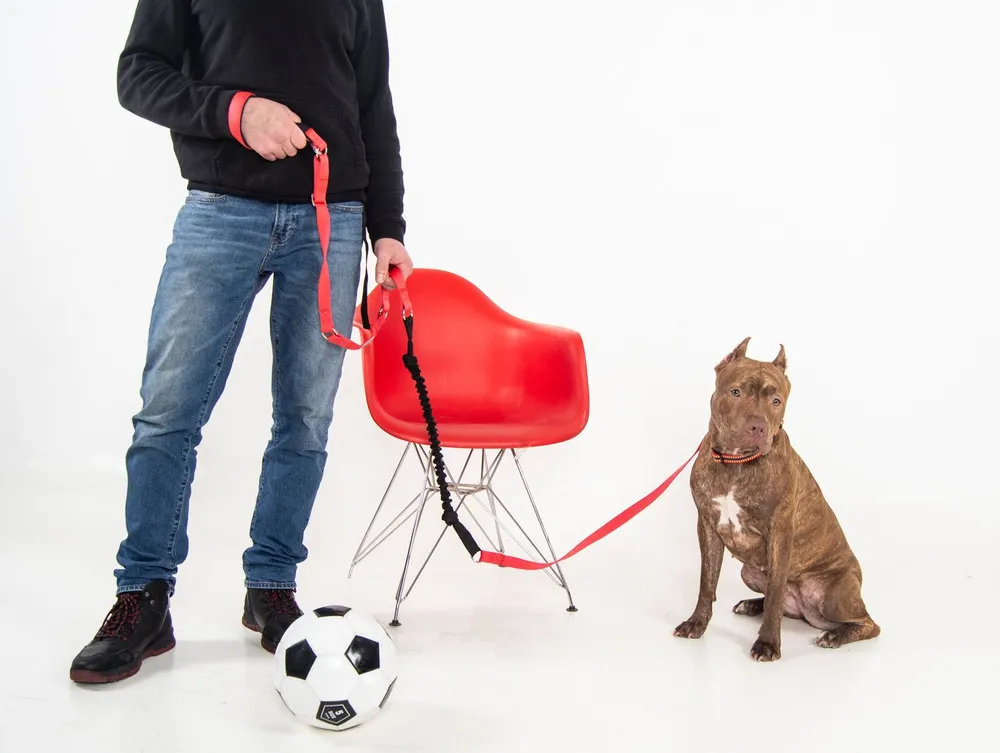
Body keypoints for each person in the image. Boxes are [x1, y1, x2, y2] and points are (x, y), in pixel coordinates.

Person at [70, 0, 412, 684]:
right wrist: (237, 112)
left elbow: (372, 102)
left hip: (333, 218)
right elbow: (138, 74)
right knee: (168, 412)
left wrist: (388, 228)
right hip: (220, 212)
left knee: (306, 419)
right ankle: (143, 595)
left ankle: (272, 587)